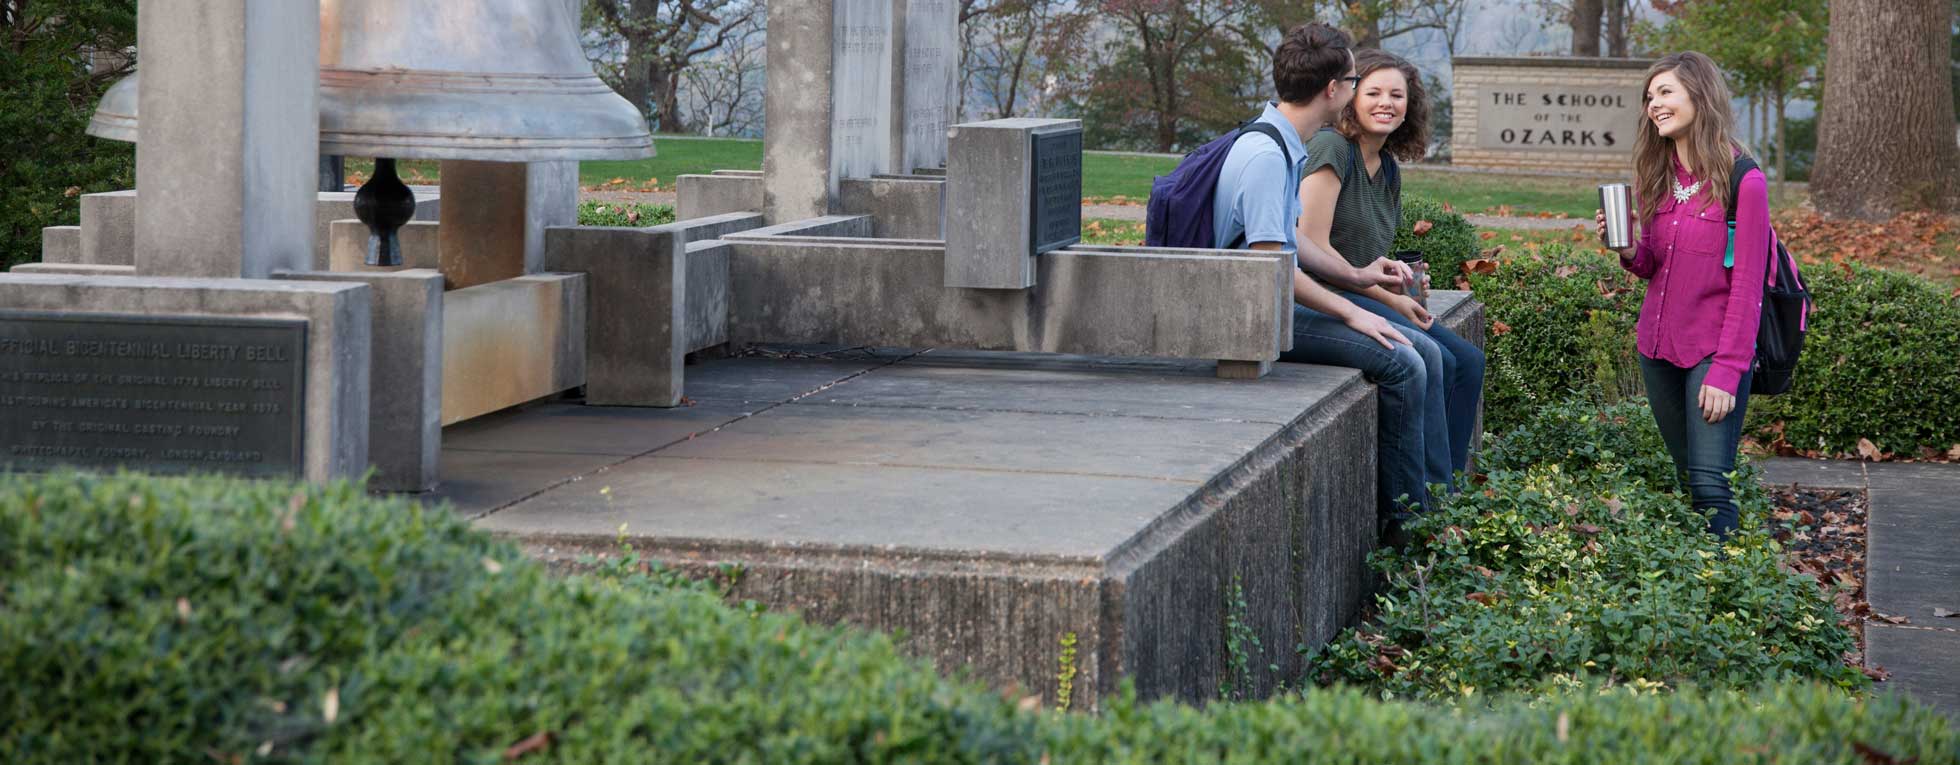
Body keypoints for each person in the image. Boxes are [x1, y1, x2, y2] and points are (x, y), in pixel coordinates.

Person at [1210, 22, 1445, 527]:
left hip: (1266, 299)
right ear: (1333, 90)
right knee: (1406, 362)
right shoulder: (1269, 157)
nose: (1360, 91)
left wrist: (1360, 278)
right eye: (1357, 81)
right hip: (1252, 318)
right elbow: (1273, 272)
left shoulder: (1282, 140)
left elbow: (1297, 249)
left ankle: (1431, 506)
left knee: (1419, 350)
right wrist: (1353, 314)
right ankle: (1408, 530)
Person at [1593, 51, 1769, 539]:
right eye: (1650, 97)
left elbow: (1749, 283)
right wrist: (1627, 246)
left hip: (1711, 355)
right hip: (1657, 350)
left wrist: (1728, 371)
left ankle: (1729, 600)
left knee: (1713, 486)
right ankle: (1691, 591)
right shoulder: (1658, 174)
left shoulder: (1743, 181)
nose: (1654, 104)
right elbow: (1650, 264)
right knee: (1688, 476)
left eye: (1665, 92)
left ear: (1700, 94)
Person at [1294, 50, 1485, 490]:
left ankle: (1449, 484)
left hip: (1359, 290)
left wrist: (1400, 282)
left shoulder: (1387, 166)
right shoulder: (1331, 149)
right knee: (1431, 355)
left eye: (1396, 95)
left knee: (1469, 361)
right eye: (1374, 91)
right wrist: (1388, 296)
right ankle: (1429, 500)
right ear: (1350, 98)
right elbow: (1313, 247)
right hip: (1321, 294)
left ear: (1408, 106)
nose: (1386, 102)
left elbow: (1364, 256)